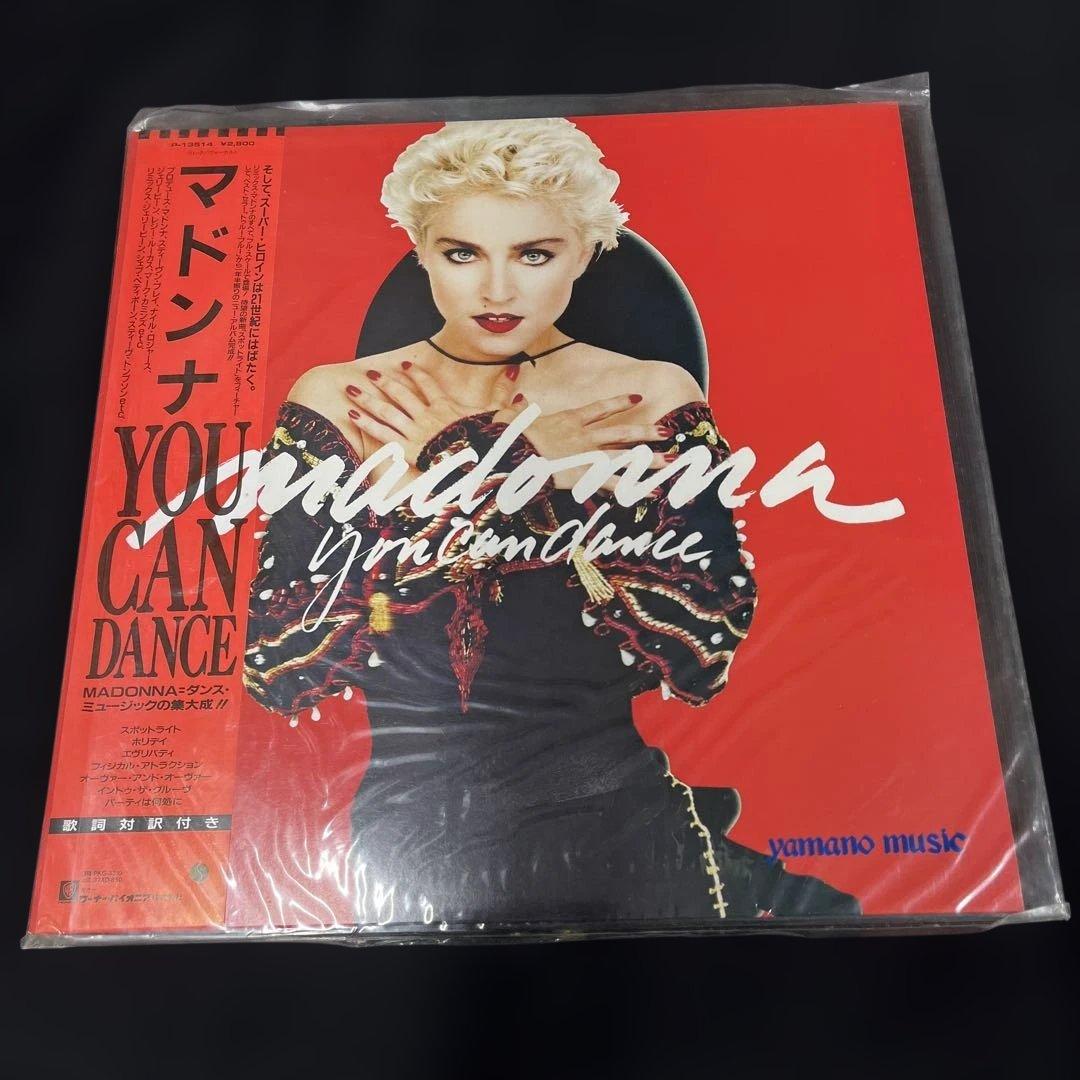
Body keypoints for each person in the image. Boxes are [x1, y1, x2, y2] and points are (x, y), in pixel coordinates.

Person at [243, 117, 859, 929]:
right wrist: (508, 459)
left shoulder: (647, 396)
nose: (497, 291)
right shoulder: (343, 398)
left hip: (617, 823)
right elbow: (279, 658)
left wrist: (449, 476)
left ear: (584, 253)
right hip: (412, 844)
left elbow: (703, 645)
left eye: (534, 254)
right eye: (463, 253)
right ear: (421, 250)